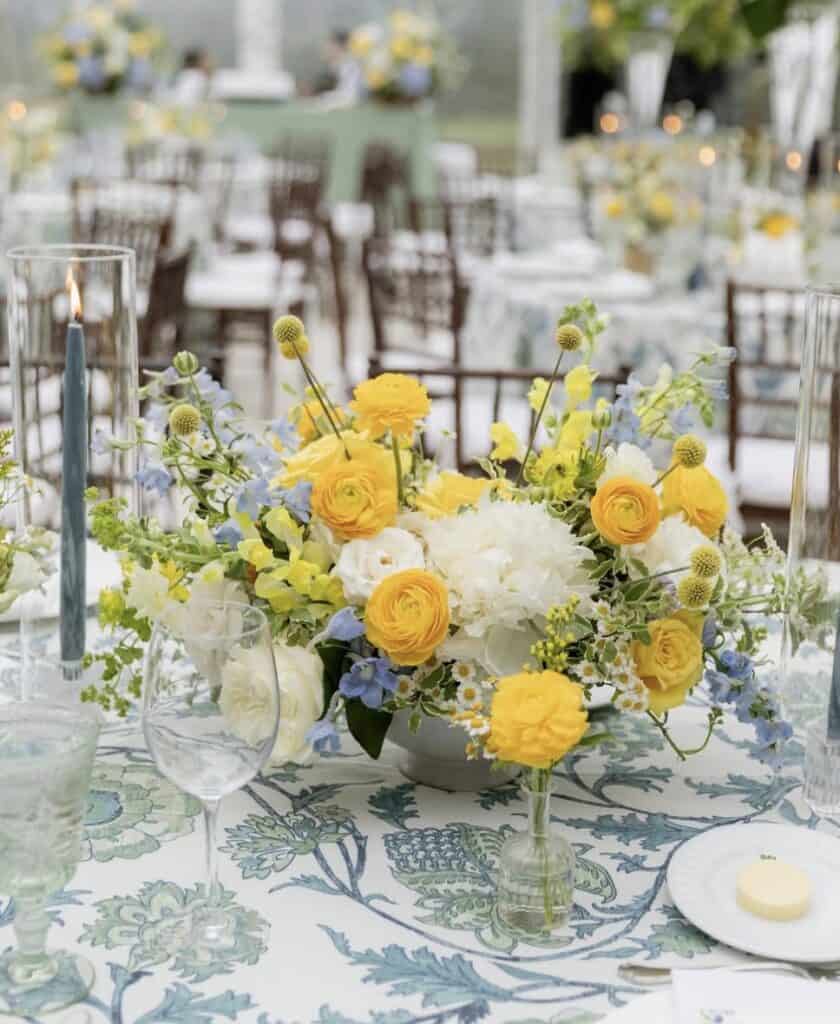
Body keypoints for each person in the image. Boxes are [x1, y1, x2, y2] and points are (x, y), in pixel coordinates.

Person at [311, 30, 362, 105]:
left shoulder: (350, 66)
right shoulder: (337, 67)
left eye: (330, 45)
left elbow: (350, 97)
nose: (326, 49)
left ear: (340, 47)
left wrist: (323, 100)